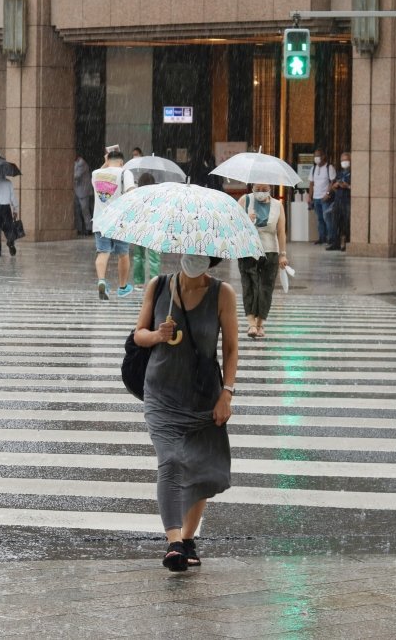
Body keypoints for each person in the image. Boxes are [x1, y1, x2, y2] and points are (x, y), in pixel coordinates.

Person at [132, 255, 238, 572]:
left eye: (202, 253)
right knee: (172, 459)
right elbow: (138, 333)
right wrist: (157, 336)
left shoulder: (223, 293)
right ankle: (174, 542)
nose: (195, 257)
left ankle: (188, 539)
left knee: (201, 467)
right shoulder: (159, 285)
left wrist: (226, 394)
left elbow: (231, 348)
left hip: (204, 395)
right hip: (162, 392)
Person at [237, 183, 288, 339]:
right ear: (252, 188)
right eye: (257, 189)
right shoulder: (244, 200)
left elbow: (281, 232)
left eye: (264, 189)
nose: (260, 192)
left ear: (269, 189)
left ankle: (260, 324)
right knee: (250, 286)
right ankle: (251, 323)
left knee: (265, 289)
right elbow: (233, 224)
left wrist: (283, 254)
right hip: (248, 251)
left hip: (270, 252)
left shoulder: (278, 206)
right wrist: (245, 219)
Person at [91, 149, 136, 300]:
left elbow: (103, 171)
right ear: (122, 162)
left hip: (100, 221)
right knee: (123, 254)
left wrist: (105, 162)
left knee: (103, 252)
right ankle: (122, 287)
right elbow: (131, 192)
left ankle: (102, 281)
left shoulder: (96, 173)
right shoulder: (125, 173)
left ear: (108, 159)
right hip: (119, 221)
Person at [131, 173, 160, 287]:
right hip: (154, 228)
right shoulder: (158, 196)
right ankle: (154, 281)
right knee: (155, 257)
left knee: (138, 255)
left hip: (139, 228)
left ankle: (139, 282)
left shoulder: (136, 195)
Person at [308, 148, 335, 244]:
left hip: (325, 198)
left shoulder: (329, 168)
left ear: (323, 156)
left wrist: (327, 194)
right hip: (316, 198)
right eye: (315, 156)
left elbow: (332, 182)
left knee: (327, 218)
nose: (316, 158)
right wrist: (310, 196)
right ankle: (322, 237)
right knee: (319, 219)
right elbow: (311, 183)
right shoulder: (313, 168)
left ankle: (331, 238)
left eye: (318, 156)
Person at [326, 152, 352, 251]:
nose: (344, 162)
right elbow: (333, 187)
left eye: (346, 160)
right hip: (338, 201)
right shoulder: (340, 173)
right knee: (335, 222)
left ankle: (345, 243)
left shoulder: (353, 173)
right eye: (342, 160)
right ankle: (335, 242)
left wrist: (347, 186)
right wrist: (335, 186)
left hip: (347, 201)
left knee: (345, 223)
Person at [73, 155, 92, 235]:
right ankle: (79, 228)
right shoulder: (75, 163)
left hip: (83, 191)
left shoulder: (82, 163)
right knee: (77, 210)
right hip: (76, 190)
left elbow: (76, 176)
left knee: (85, 210)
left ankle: (89, 228)